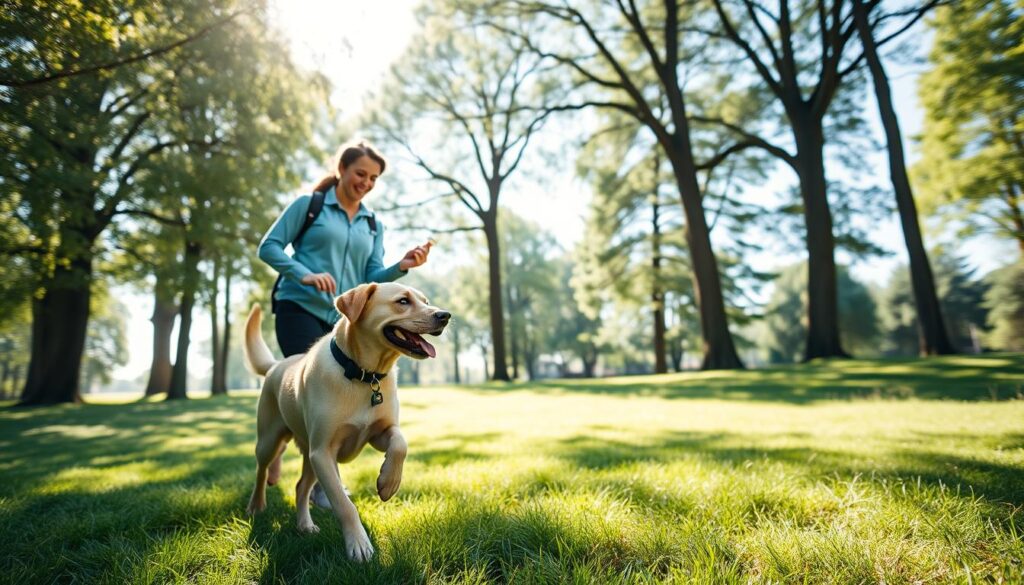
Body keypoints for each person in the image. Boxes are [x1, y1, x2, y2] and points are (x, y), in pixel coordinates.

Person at [258, 139, 431, 507]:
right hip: (300, 307)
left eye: (373, 178)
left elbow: (371, 276)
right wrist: (303, 274)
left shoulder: (372, 223)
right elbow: (269, 246)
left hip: (347, 320)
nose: (365, 183)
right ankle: (305, 470)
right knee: (313, 400)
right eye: (360, 174)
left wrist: (402, 265)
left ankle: (317, 476)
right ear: (342, 169)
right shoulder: (310, 206)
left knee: (335, 402)